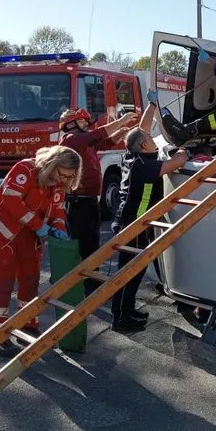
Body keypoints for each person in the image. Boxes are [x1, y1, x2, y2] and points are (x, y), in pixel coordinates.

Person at [0, 145, 82, 356]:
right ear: (52, 165)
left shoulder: (58, 183)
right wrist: (40, 227)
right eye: (62, 174)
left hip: (28, 235)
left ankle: (28, 326)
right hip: (1, 232)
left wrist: (59, 230)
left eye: (70, 177)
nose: (64, 180)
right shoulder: (25, 169)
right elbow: (11, 200)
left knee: (30, 280)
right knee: (4, 282)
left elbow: (57, 211)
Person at [110, 95, 190, 332]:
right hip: (135, 224)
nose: (154, 140)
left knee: (134, 271)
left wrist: (152, 106)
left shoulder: (133, 155)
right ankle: (120, 319)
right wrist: (184, 146)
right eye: (150, 140)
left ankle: (127, 310)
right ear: (144, 146)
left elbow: (140, 129)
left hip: (130, 220)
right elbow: (178, 162)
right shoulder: (146, 166)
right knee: (129, 274)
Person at [58, 108, 140, 296]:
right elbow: (100, 133)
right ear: (71, 124)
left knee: (92, 241)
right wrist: (121, 121)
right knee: (84, 243)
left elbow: (107, 141)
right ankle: (85, 283)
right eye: (83, 121)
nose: (87, 124)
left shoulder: (84, 141)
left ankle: (91, 278)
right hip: (79, 202)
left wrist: (124, 130)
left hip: (89, 201)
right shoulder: (71, 139)